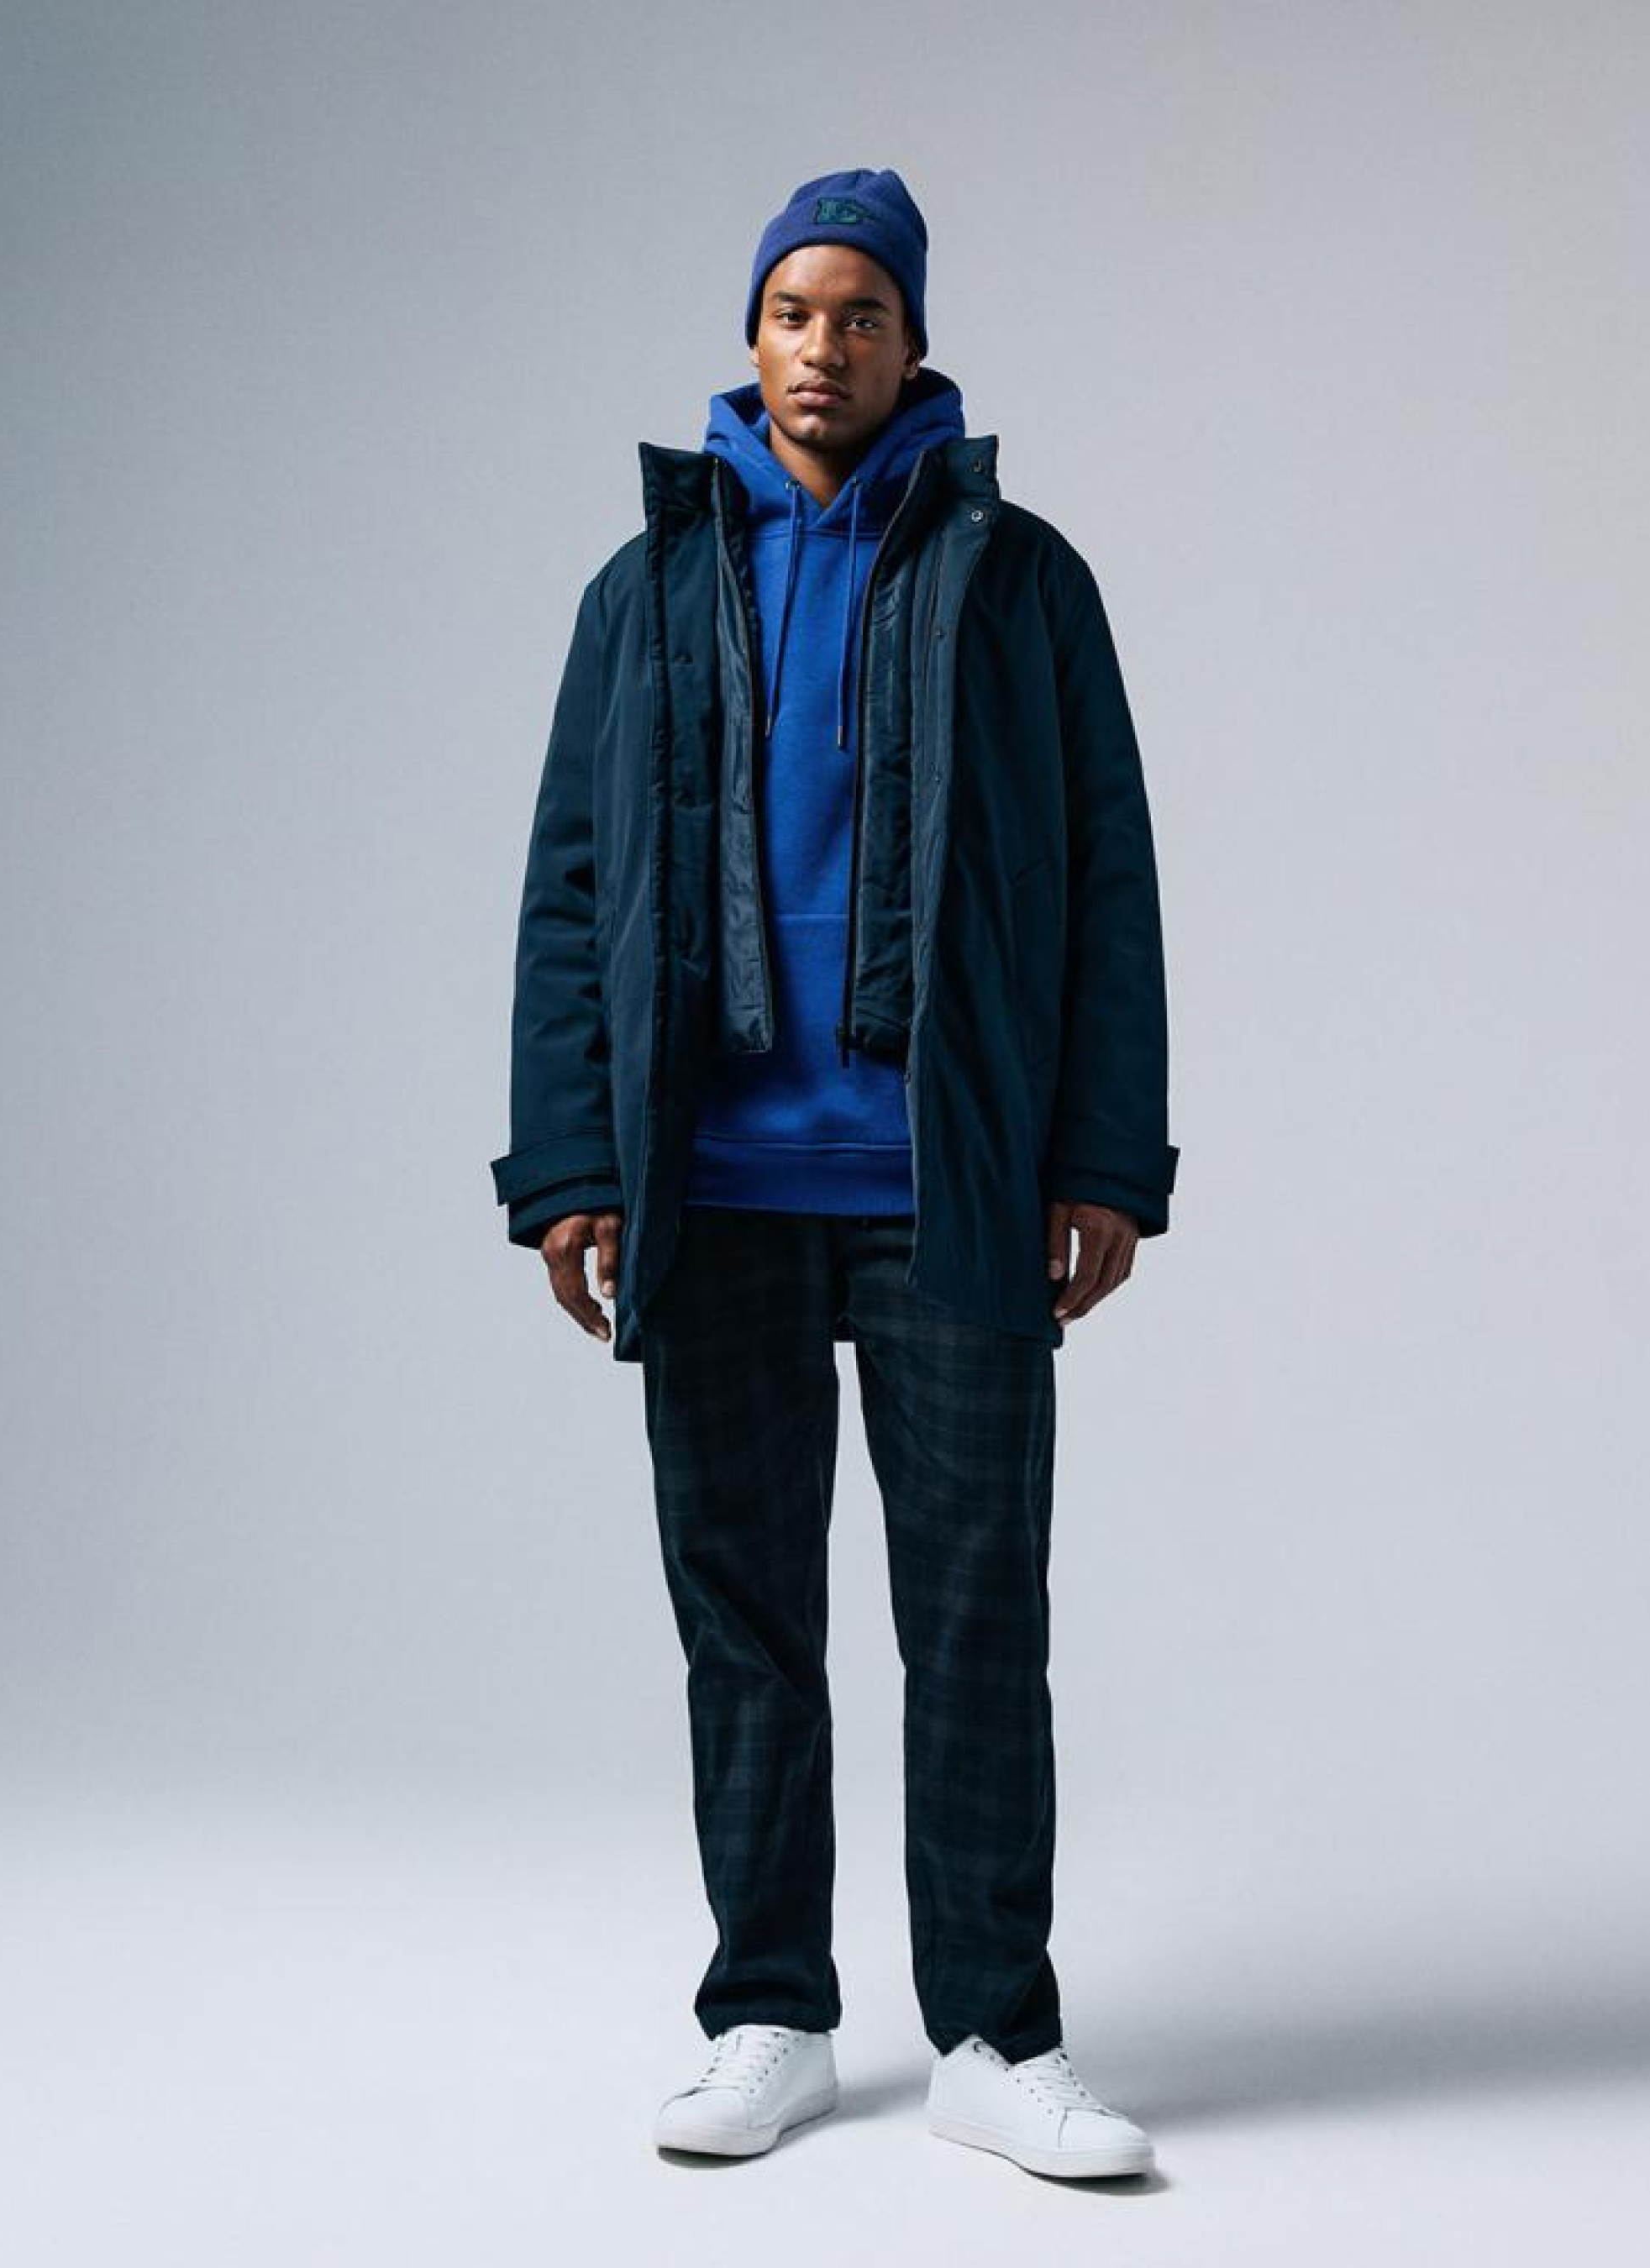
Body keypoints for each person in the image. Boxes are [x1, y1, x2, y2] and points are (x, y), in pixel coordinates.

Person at [491, 166, 1179, 2181]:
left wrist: (1100, 1156)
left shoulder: (1017, 577)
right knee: (744, 1621)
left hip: (947, 1176)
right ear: (749, 337)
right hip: (707, 1184)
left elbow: (1105, 879)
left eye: (861, 313)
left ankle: (990, 2035)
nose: (823, 346)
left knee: (973, 1615)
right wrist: (568, 1163)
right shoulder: (642, 589)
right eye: (793, 311)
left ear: (911, 343)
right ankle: (768, 2013)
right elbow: (571, 888)